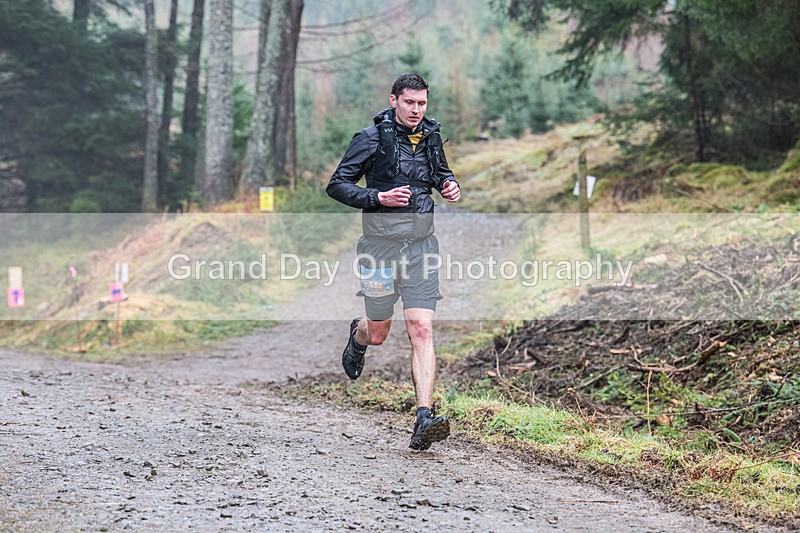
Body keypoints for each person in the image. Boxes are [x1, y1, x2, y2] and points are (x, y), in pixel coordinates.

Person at [326, 72, 461, 451]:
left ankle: (424, 417)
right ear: (393, 101)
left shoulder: (431, 137)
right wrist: (377, 198)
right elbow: (336, 184)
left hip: (421, 248)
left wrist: (449, 185)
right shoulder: (369, 139)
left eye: (422, 103)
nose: (417, 110)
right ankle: (359, 335)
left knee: (421, 328)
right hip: (379, 250)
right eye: (410, 103)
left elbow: (440, 174)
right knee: (380, 332)